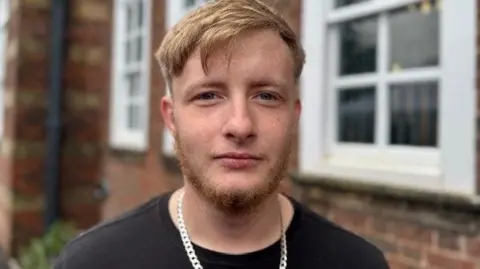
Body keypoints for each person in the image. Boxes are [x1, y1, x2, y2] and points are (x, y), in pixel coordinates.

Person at [53, 0, 390, 268]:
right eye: (208, 96)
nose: (240, 125)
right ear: (171, 118)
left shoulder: (358, 262)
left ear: (293, 115)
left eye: (266, 96)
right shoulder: (93, 261)